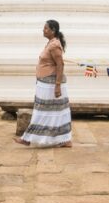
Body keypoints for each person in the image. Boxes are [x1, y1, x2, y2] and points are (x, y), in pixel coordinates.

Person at [15, 19, 72, 148]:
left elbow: (60, 64)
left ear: (53, 31)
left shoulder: (54, 45)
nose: (43, 30)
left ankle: (28, 139)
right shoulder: (51, 43)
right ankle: (65, 140)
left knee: (44, 112)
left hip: (51, 84)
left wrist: (57, 86)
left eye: (46, 28)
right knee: (54, 112)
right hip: (46, 83)